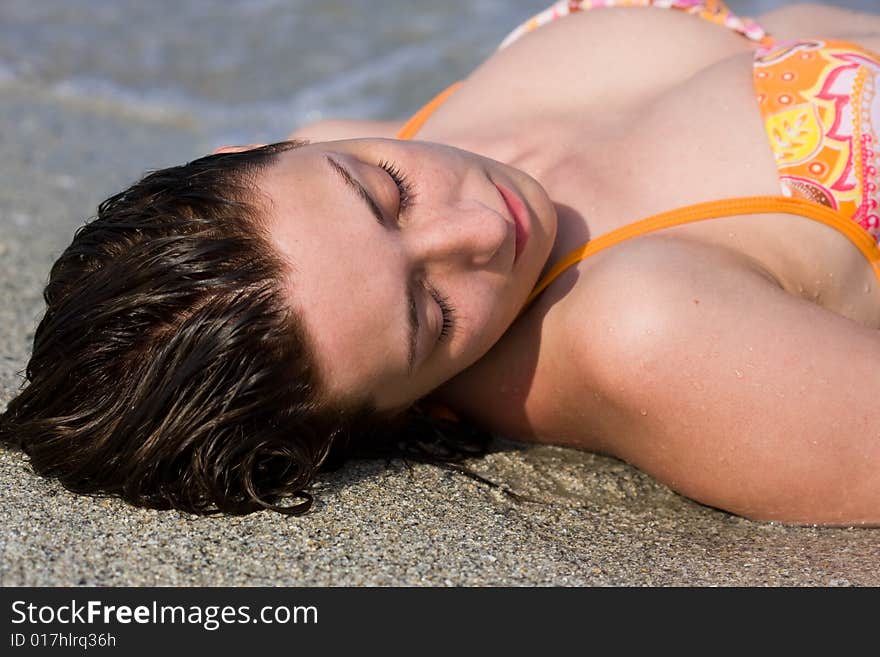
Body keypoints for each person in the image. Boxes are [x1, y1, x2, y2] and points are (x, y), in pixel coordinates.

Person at [2, 0, 879, 525]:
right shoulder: (642, 336)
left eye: (385, 192)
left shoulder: (321, 163)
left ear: (256, 149)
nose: (477, 232)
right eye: (433, 313)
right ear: (418, 412)